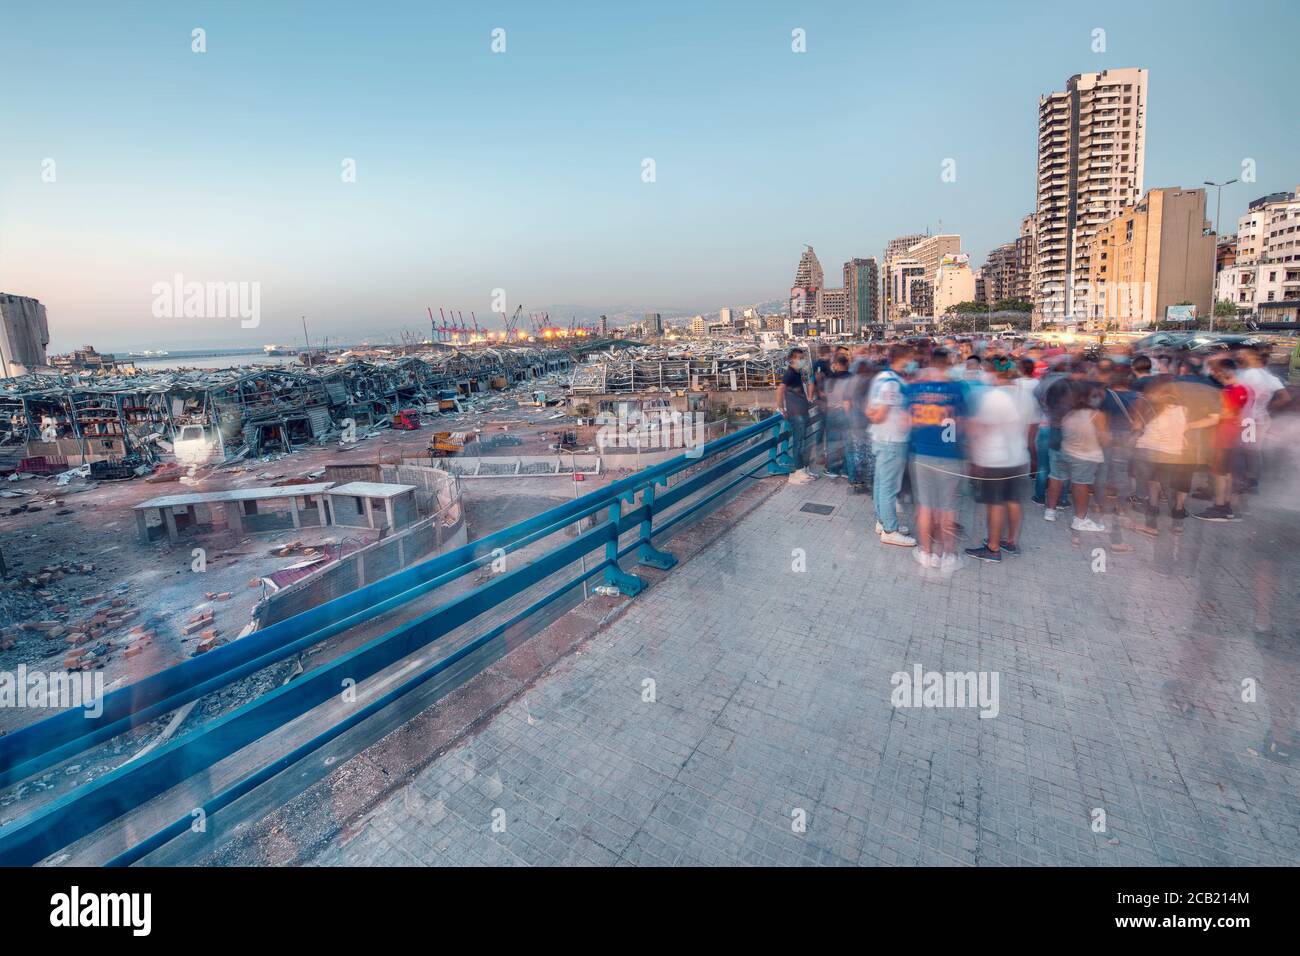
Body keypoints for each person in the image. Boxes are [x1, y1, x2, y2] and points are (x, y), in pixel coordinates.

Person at [903, 351, 968, 570]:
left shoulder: (915, 389)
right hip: (949, 454)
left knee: (925, 506)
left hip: (921, 453)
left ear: (930, 364)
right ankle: (948, 555)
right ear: (948, 365)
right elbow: (963, 423)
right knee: (948, 507)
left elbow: (906, 422)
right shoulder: (956, 389)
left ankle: (926, 553)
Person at [964, 364, 1032, 562]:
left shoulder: (994, 397)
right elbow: (1032, 426)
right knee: (1012, 500)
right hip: (1019, 455)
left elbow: (981, 428)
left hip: (995, 458)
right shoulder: (1026, 396)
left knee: (995, 503)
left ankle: (993, 548)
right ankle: (1011, 541)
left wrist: (972, 456)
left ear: (996, 375)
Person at [867, 344, 915, 546]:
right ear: (903, 359)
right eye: (911, 359)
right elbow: (878, 414)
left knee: (880, 484)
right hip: (892, 440)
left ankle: (883, 521)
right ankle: (890, 530)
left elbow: (869, 409)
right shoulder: (892, 383)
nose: (913, 363)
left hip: (881, 438)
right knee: (889, 486)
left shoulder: (881, 377)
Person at [1131, 376, 1192, 536]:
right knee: (1169, 488)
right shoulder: (1183, 409)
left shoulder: (1148, 407)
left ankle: (1151, 526)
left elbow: (1136, 426)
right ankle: (1177, 525)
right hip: (1172, 453)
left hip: (1149, 451)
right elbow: (1183, 430)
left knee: (1151, 488)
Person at [1046, 380, 1108, 533]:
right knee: (1080, 485)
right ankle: (1080, 519)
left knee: (1056, 477)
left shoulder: (1068, 413)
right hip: (1085, 456)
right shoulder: (1097, 415)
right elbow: (1105, 439)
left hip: (1065, 450)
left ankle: (1050, 511)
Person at [1195, 358, 1250, 521]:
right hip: (1227, 435)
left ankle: (1220, 507)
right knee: (1226, 472)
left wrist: (1207, 412)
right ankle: (1225, 505)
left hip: (1224, 435)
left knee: (1220, 473)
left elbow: (1227, 413)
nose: (1214, 374)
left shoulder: (1235, 391)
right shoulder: (1233, 389)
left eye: (1216, 371)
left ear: (1225, 372)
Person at [1235, 344, 1290, 492]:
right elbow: (1285, 397)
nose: (1240, 356)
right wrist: (1267, 410)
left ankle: (1246, 482)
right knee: (1252, 450)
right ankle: (1251, 481)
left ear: (1253, 357)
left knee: (1244, 450)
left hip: (1248, 419)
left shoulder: (1247, 375)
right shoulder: (1270, 376)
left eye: (1243, 354)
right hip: (1258, 418)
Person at [777, 347, 816, 484]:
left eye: (802, 358)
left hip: (802, 411)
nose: (801, 360)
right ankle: (798, 472)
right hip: (796, 413)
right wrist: (780, 407)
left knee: (805, 442)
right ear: (791, 359)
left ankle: (804, 469)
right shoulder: (789, 374)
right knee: (799, 443)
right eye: (799, 358)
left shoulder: (797, 373)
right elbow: (780, 389)